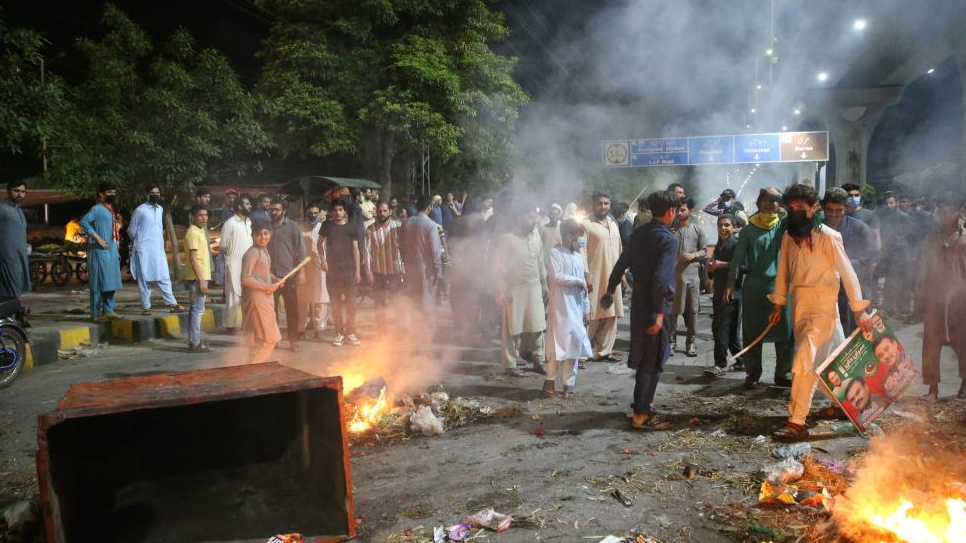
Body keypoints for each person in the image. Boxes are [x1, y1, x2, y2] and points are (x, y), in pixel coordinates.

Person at [767, 183, 871, 441]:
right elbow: (783, 272)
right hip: (799, 304)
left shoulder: (829, 237)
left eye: (801, 207)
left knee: (804, 362)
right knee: (832, 361)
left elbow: (848, 273)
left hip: (824, 305)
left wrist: (859, 310)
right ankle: (847, 406)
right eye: (790, 208)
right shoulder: (789, 236)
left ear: (814, 209)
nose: (795, 212)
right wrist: (778, 304)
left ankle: (797, 422)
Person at [602, 190, 679, 430]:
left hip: (639, 304)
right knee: (651, 362)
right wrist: (659, 312)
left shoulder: (638, 234)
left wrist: (609, 289)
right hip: (654, 306)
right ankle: (641, 415)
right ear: (671, 212)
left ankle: (642, 405)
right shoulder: (668, 240)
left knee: (645, 357)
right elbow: (662, 280)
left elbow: (621, 263)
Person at [725, 187, 794, 388]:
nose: (769, 204)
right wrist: (731, 283)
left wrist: (780, 196)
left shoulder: (784, 225)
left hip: (781, 286)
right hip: (755, 287)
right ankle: (753, 373)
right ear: (758, 203)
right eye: (765, 200)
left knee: (785, 333)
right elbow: (737, 260)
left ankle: (783, 373)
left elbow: (796, 210)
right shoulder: (748, 229)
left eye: (774, 201)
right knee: (752, 332)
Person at [916, 198, 966, 402]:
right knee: (931, 343)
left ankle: (964, 386)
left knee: (963, 342)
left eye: (950, 211)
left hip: (960, 299)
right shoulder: (930, 240)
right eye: (942, 212)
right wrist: (919, 296)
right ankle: (932, 389)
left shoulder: (964, 238)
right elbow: (923, 270)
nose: (946, 216)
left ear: (958, 213)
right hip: (934, 298)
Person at [493, 203, 548, 376]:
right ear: (518, 218)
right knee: (512, 329)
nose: (534, 220)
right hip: (514, 288)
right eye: (530, 217)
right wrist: (502, 288)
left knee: (538, 326)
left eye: (534, 217)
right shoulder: (506, 238)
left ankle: (539, 361)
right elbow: (498, 266)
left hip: (534, 286)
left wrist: (544, 283)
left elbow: (540, 261)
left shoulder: (536, 234)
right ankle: (510, 365)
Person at [543, 219, 592, 397]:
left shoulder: (578, 257)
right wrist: (580, 282)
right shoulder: (554, 252)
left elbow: (584, 289)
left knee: (574, 344)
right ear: (569, 236)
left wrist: (586, 309)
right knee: (557, 345)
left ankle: (568, 385)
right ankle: (549, 380)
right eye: (579, 236)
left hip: (577, 308)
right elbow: (557, 277)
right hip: (560, 307)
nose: (581, 240)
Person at [822, 188, 878, 333]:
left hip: (854, 290)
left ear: (845, 209)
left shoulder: (859, 228)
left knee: (854, 334)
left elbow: (872, 253)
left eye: (839, 210)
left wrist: (849, 265)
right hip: (825, 292)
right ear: (823, 208)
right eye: (830, 210)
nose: (834, 214)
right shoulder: (817, 229)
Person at [128, 185, 184, 315]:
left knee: (164, 276)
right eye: (152, 192)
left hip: (158, 249)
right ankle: (146, 307)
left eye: (157, 192)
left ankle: (172, 304)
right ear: (147, 194)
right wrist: (140, 241)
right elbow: (131, 230)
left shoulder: (160, 209)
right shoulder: (140, 210)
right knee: (144, 279)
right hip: (143, 250)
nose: (155, 195)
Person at [585, 192, 624, 362]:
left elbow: (620, 252)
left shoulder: (613, 224)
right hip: (594, 277)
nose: (603, 207)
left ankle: (604, 352)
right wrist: (586, 276)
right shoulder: (586, 225)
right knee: (592, 315)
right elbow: (581, 253)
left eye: (606, 203)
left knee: (611, 314)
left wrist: (622, 275)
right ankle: (582, 354)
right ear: (593, 205)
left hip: (613, 277)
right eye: (599, 203)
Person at [319, 199, 362, 347]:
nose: (338, 213)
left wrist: (358, 270)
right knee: (336, 304)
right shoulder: (326, 226)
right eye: (335, 210)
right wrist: (323, 260)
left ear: (345, 212)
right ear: (331, 212)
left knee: (351, 304)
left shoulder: (352, 227)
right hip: (333, 272)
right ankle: (338, 333)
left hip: (349, 271)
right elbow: (319, 244)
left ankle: (351, 332)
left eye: (340, 210)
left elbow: (355, 249)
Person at [703, 214, 742, 376]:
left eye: (726, 225)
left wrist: (722, 264)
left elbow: (743, 266)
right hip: (719, 291)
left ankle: (719, 364)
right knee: (730, 329)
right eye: (720, 225)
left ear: (734, 228)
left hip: (731, 292)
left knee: (720, 328)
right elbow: (713, 268)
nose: (723, 229)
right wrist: (711, 269)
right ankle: (742, 360)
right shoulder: (719, 246)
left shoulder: (736, 245)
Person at [242, 221, 284, 364]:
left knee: (260, 339)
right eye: (258, 234)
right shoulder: (252, 253)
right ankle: (253, 369)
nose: (263, 237)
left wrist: (274, 279)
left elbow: (262, 272)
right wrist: (267, 287)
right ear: (253, 236)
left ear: (270, 235)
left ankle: (252, 369)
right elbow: (246, 278)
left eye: (266, 233)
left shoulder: (263, 250)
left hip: (264, 298)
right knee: (269, 339)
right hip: (257, 299)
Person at [80, 183, 123, 322]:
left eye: (114, 192)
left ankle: (109, 310)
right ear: (102, 194)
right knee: (98, 283)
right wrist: (97, 238)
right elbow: (84, 222)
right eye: (109, 192)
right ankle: (95, 314)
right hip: (99, 251)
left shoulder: (111, 210)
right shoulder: (97, 209)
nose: (112, 194)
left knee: (111, 281)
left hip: (111, 251)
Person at [268, 198, 306, 352]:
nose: (273, 212)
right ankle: (274, 339)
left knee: (292, 310)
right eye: (272, 209)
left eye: (276, 209)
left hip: (289, 276)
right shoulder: (267, 227)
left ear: (284, 210)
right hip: (270, 277)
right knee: (272, 311)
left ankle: (293, 341)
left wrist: (301, 271)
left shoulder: (293, 227)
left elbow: (301, 250)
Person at [670, 198, 706, 357]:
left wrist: (693, 255)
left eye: (683, 209)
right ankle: (671, 342)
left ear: (690, 211)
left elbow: (704, 251)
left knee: (693, 311)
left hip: (693, 276)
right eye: (677, 209)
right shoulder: (671, 230)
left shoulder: (698, 230)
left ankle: (691, 342)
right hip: (675, 277)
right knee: (673, 311)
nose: (679, 213)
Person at [400, 195, 443, 318]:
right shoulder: (430, 225)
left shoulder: (406, 223)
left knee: (412, 297)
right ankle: (425, 330)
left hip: (410, 267)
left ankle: (413, 327)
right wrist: (438, 270)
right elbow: (435, 250)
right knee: (426, 299)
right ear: (429, 208)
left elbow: (401, 246)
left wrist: (405, 262)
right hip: (426, 269)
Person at [366, 201, 404, 326]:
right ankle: (382, 332)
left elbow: (405, 249)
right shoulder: (370, 229)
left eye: (384, 211)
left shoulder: (398, 227)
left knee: (396, 301)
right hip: (378, 272)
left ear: (390, 211)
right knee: (379, 303)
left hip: (395, 272)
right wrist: (368, 272)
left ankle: (397, 330)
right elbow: (367, 253)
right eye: (379, 211)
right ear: (376, 212)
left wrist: (405, 268)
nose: (382, 213)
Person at [877, 191, 915, 318]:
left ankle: (893, 309)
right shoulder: (885, 216)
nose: (889, 206)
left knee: (895, 280)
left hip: (900, 252)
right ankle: (898, 309)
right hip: (889, 251)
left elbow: (912, 234)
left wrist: (910, 252)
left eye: (891, 203)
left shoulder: (904, 216)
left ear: (897, 203)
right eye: (887, 203)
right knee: (892, 279)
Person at [221, 195, 253, 334]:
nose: (250, 206)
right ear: (240, 206)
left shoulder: (250, 222)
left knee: (248, 294)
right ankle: (230, 325)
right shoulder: (230, 223)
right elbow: (224, 245)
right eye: (247, 203)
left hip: (249, 264)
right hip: (234, 264)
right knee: (233, 295)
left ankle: (246, 325)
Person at [184, 205, 213, 353]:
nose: (204, 218)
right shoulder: (193, 232)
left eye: (206, 215)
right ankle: (195, 343)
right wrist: (201, 280)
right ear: (193, 217)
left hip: (200, 276)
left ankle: (194, 340)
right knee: (197, 310)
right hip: (197, 277)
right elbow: (194, 259)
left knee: (195, 310)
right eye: (200, 215)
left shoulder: (200, 231)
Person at [298, 202, 329, 339]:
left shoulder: (324, 229)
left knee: (320, 298)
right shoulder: (300, 229)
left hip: (320, 265)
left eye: (316, 213)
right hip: (304, 266)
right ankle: (301, 330)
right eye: (310, 213)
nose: (313, 215)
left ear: (320, 213)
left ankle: (319, 329)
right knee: (303, 298)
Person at [0, 182, 30, 301]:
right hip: (7, 256)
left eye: (22, 192)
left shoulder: (19, 210)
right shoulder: (3, 209)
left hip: (20, 255)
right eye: (16, 191)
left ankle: (9, 316)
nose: (20, 194)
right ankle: (15, 315)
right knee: (13, 288)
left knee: (12, 288)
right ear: (8, 192)